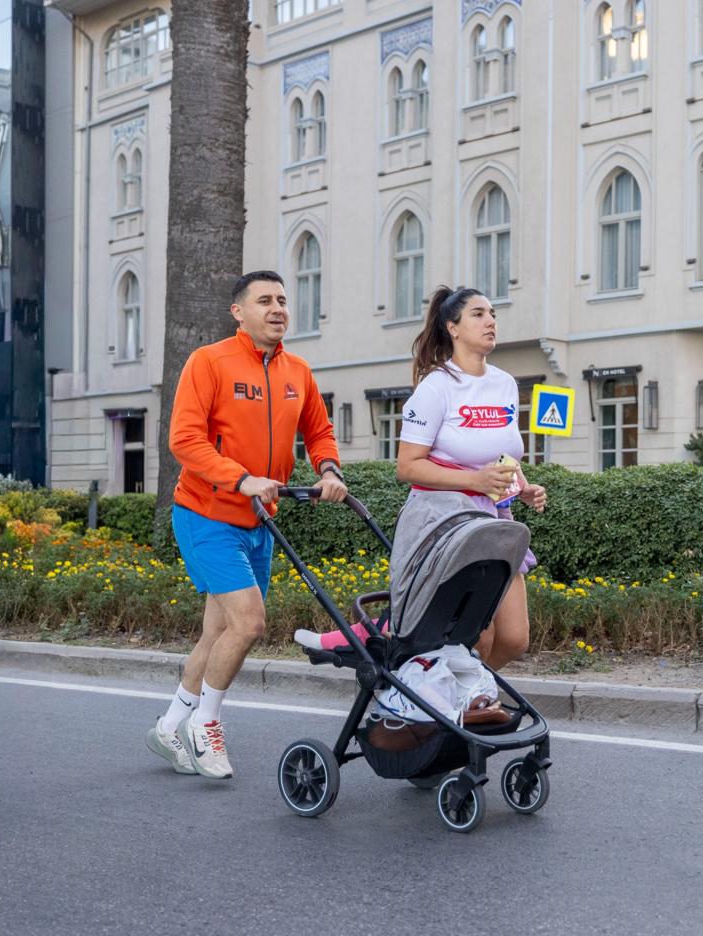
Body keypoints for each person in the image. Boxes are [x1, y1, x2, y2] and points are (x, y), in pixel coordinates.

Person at [147, 270, 347, 780]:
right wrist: (241, 480)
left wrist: (328, 470)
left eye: (283, 299)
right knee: (250, 623)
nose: (278, 308)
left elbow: (319, 431)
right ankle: (206, 724)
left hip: (260, 520)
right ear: (239, 311)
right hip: (206, 514)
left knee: (218, 630)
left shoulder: (297, 372)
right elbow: (185, 440)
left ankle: (171, 724)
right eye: (265, 300)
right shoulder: (209, 362)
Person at [395, 286, 546, 670]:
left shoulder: (505, 384)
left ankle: (471, 695)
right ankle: (459, 708)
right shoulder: (436, 387)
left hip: (495, 522)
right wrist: (474, 481)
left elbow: (502, 454)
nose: (491, 321)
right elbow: (407, 466)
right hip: (446, 523)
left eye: (493, 313)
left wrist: (522, 487)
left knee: (514, 638)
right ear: (453, 328)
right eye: (478, 314)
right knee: (478, 636)